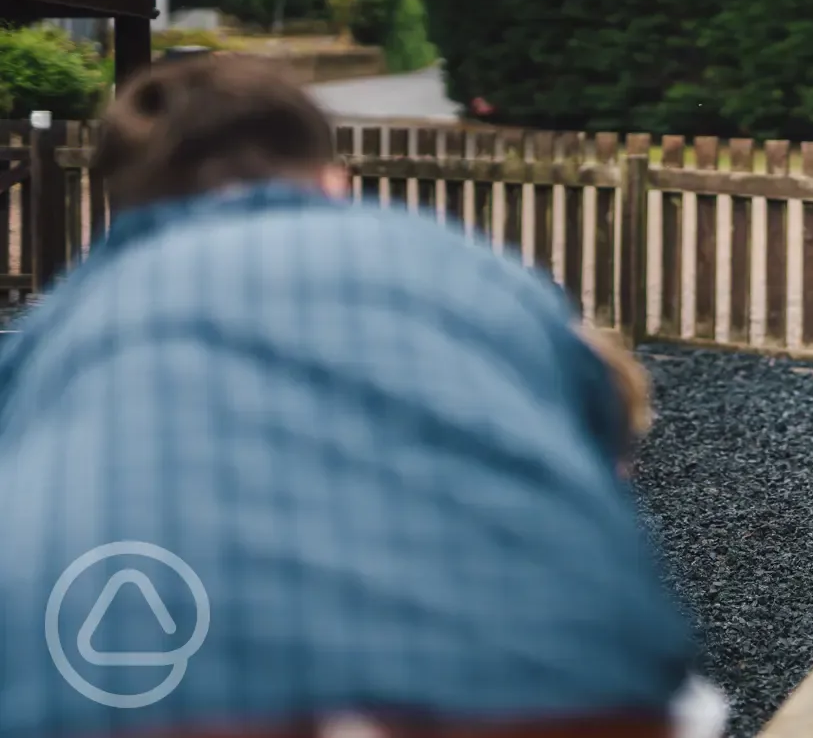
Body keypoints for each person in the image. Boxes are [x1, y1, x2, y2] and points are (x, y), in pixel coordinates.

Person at [0, 54, 716, 738]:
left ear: (120, 206)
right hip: (547, 688)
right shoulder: (471, 267)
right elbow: (608, 432)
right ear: (334, 180)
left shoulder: (58, 323)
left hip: (101, 696)